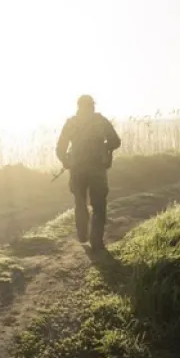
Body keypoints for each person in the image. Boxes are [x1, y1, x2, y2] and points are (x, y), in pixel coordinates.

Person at [54, 94, 122, 251]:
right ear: (92, 106)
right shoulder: (100, 121)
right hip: (97, 170)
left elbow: (60, 149)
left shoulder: (71, 123)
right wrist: (104, 147)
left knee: (80, 202)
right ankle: (96, 241)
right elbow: (116, 141)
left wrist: (67, 161)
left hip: (77, 170)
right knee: (99, 205)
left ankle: (82, 235)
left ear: (78, 106)